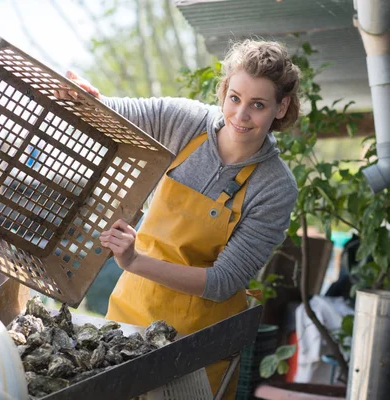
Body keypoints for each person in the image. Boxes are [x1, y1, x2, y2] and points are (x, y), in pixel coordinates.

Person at [64, 39, 301, 398]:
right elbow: (114, 112)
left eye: (258, 105)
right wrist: (87, 99)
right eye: (234, 98)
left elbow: (222, 281)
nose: (240, 115)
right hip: (130, 315)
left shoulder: (276, 187)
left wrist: (134, 261)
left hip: (196, 345)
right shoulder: (184, 123)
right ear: (223, 91)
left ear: (281, 107)